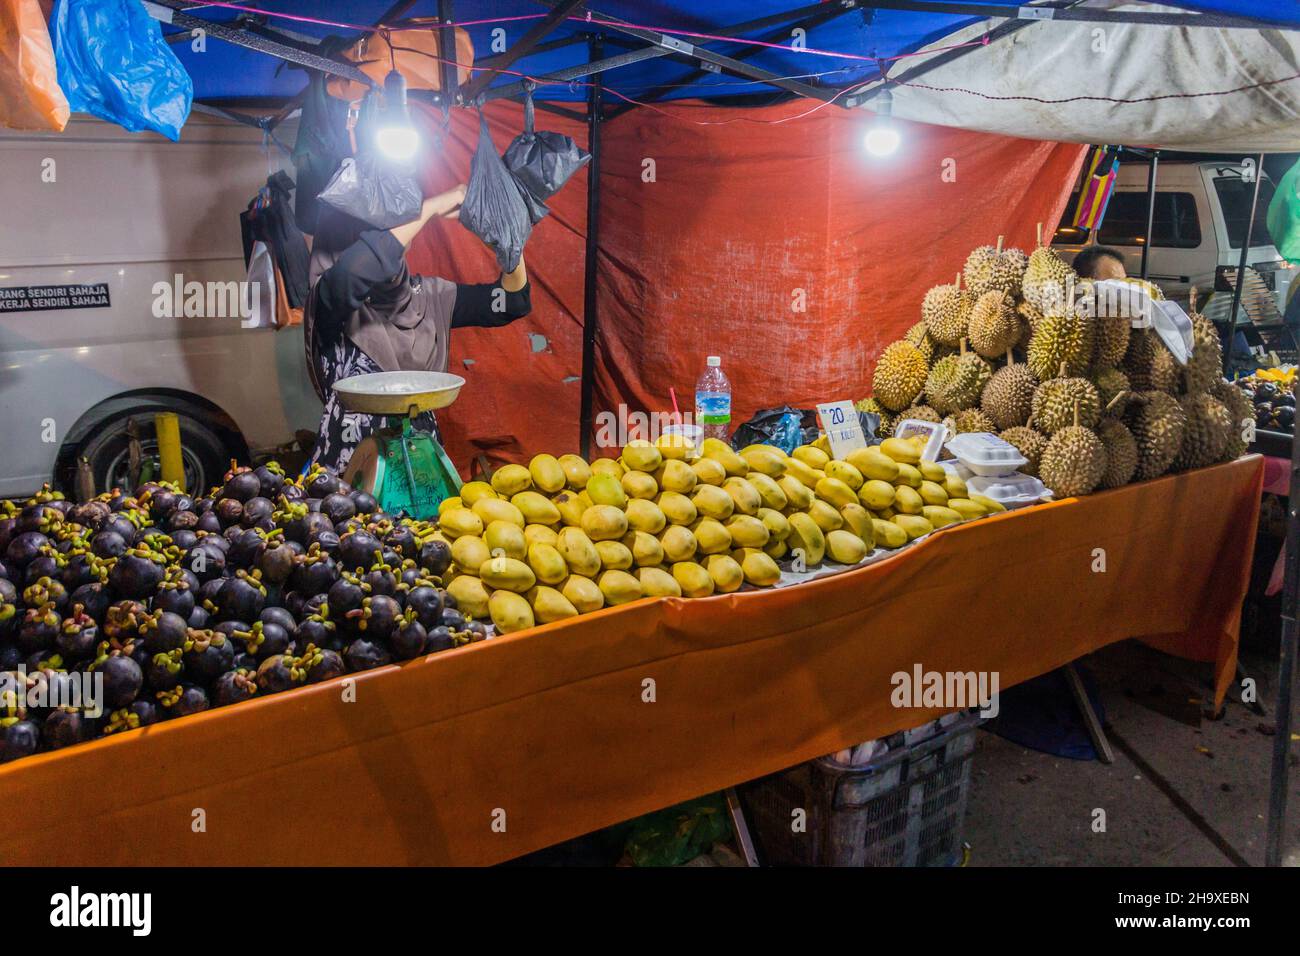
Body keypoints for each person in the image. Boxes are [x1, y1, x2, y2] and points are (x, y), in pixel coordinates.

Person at [304, 184, 532, 472]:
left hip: (420, 463)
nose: (391, 240)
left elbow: (510, 302)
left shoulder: (426, 296)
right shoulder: (329, 301)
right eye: (378, 233)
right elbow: (355, 272)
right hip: (350, 469)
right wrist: (431, 207)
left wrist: (507, 244)